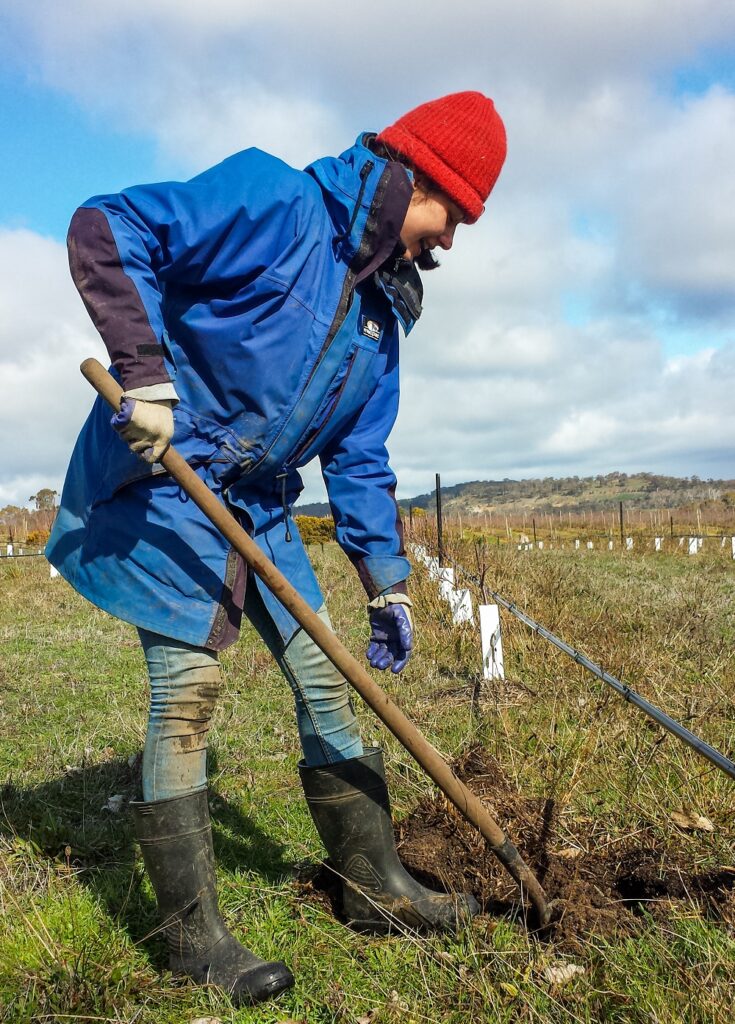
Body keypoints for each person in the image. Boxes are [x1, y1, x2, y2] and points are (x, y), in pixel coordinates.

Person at [48, 91, 507, 1005]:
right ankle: (190, 940)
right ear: (415, 179)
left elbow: (362, 455)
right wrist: (144, 375)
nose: (452, 239)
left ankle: (374, 888)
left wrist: (387, 583)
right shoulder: (273, 202)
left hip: (259, 506)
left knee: (327, 678)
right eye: (452, 213)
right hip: (169, 476)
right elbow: (106, 225)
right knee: (189, 690)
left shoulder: (383, 314)